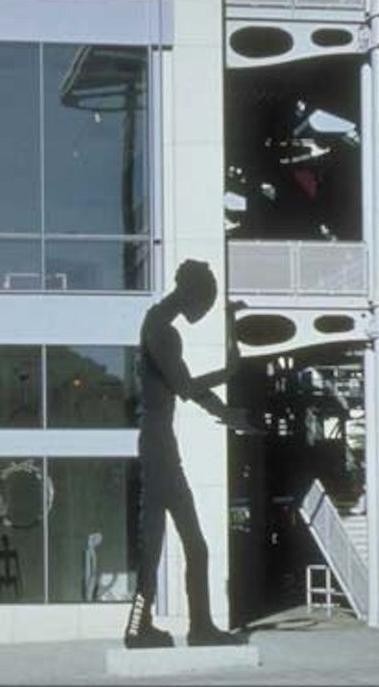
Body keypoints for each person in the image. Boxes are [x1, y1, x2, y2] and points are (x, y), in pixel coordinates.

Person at [124, 258, 259, 649]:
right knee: (191, 544)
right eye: (205, 300)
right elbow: (186, 386)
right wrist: (228, 374)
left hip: (156, 441)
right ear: (190, 293)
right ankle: (196, 627)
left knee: (154, 544)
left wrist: (227, 413)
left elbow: (187, 387)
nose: (203, 310)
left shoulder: (156, 324)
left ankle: (139, 628)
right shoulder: (163, 331)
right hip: (159, 445)